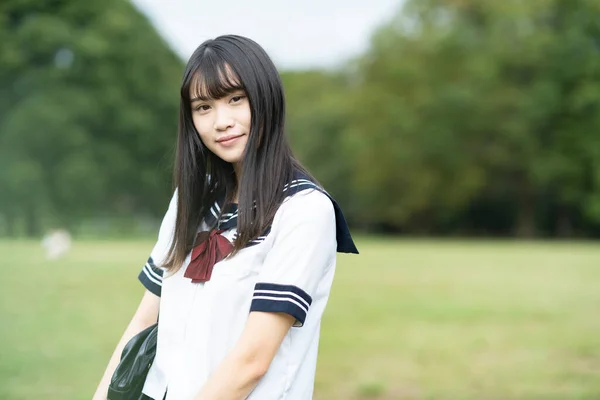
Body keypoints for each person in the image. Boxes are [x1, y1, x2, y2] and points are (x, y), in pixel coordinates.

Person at [93, 34, 358, 400]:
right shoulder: (192, 199)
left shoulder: (304, 209)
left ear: (266, 100)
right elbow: (144, 320)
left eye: (236, 99)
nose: (222, 121)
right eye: (203, 107)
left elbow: (252, 362)